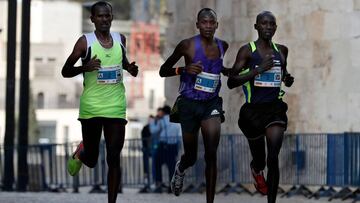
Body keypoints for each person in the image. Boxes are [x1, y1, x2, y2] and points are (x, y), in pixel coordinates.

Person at [61, 1, 138, 203]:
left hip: (116, 106)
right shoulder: (84, 42)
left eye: (107, 16)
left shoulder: (120, 39)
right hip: (92, 107)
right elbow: (65, 71)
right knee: (93, 159)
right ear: (92, 19)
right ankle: (81, 153)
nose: (104, 19)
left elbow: (121, 61)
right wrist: (84, 68)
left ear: (112, 17)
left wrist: (130, 68)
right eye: (100, 16)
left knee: (113, 158)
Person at [159, 8, 229, 203]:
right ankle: (181, 168)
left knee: (211, 153)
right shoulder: (187, 45)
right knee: (191, 155)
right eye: (204, 22)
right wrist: (183, 68)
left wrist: (229, 71)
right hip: (189, 105)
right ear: (197, 24)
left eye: (211, 22)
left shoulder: (224, 45)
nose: (208, 26)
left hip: (211, 104)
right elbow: (162, 71)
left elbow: (217, 67)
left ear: (217, 25)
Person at [227, 11, 294, 203]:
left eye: (272, 24)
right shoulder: (247, 51)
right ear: (256, 27)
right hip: (253, 112)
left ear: (275, 28)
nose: (268, 27)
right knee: (261, 160)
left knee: (273, 157)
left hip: (275, 109)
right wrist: (258, 70)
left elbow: (282, 74)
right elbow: (231, 82)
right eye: (264, 24)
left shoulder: (282, 50)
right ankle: (256, 170)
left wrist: (287, 79)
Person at [149, 105, 182, 193]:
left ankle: (159, 185)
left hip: (163, 145)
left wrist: (152, 122)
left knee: (157, 164)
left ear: (163, 112)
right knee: (172, 167)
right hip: (173, 146)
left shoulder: (162, 120)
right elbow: (179, 136)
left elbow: (154, 131)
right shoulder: (176, 121)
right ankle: (171, 187)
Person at [139, 115, 154, 193]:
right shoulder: (145, 128)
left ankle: (153, 181)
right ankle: (146, 180)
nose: (150, 121)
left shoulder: (155, 127)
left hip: (153, 149)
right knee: (146, 166)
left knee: (153, 165)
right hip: (146, 149)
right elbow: (143, 138)